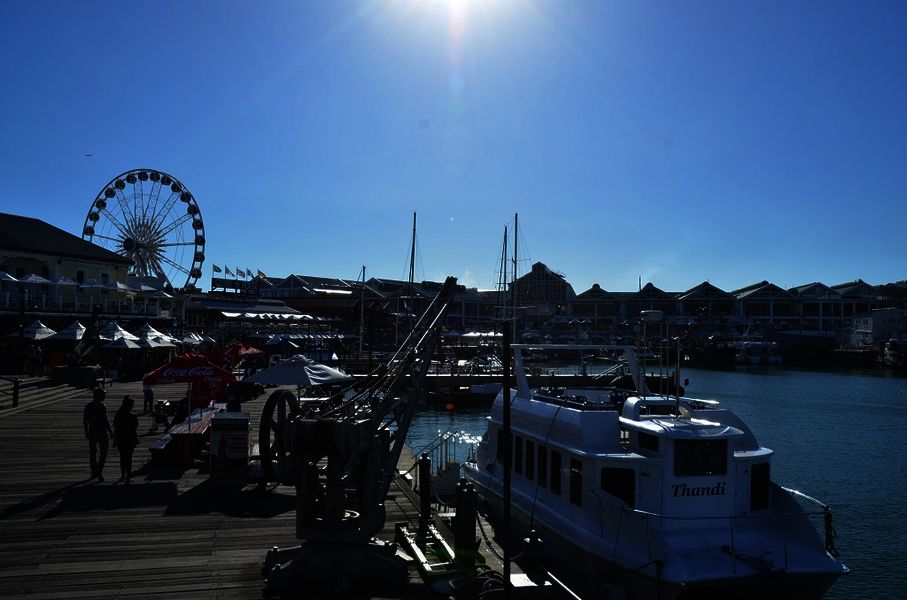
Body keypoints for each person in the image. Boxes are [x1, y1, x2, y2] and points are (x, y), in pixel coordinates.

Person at [83, 387, 113, 482]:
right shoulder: (102, 406)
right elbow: (105, 420)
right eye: (103, 395)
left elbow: (85, 420)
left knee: (92, 453)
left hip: (92, 432)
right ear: (99, 396)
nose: (104, 396)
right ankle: (99, 471)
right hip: (102, 432)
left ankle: (94, 472)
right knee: (103, 453)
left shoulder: (88, 406)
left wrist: (86, 432)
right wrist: (110, 431)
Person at [112, 395, 139, 484]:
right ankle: (128, 476)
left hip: (120, 438)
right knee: (129, 458)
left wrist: (114, 440)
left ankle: (123, 475)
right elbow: (135, 428)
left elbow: (116, 428)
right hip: (130, 439)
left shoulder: (118, 414)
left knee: (122, 457)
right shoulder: (133, 416)